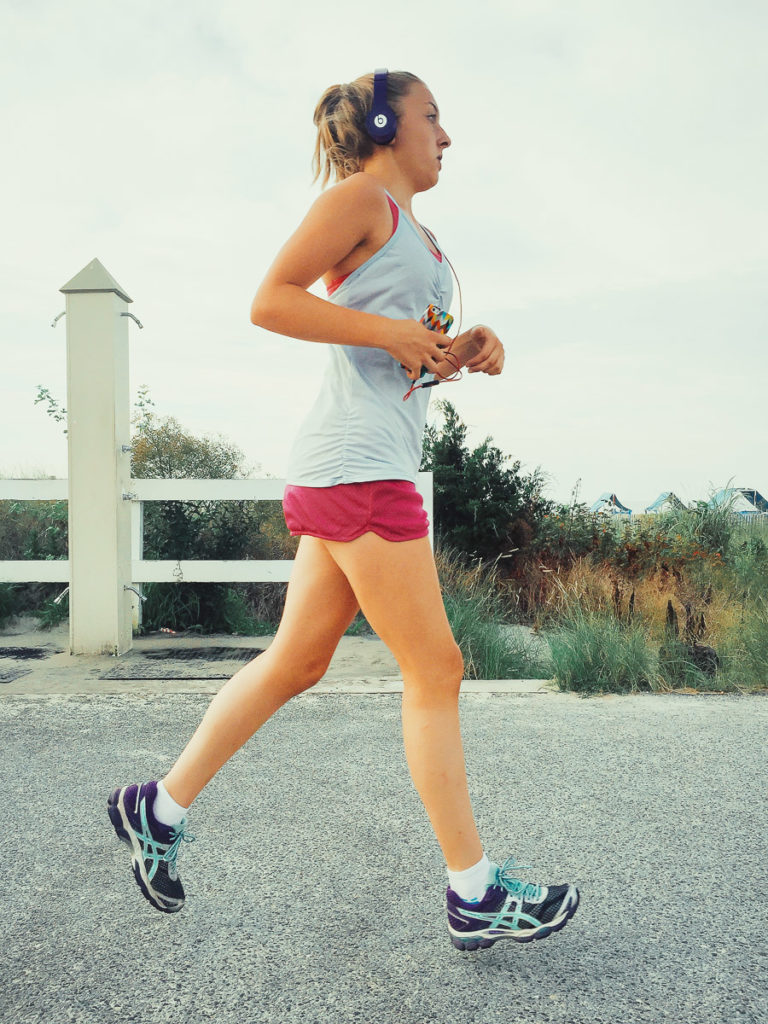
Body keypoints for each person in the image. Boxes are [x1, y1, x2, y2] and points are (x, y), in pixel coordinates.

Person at [107, 69, 579, 951]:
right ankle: (473, 892)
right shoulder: (360, 198)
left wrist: (458, 349)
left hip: (364, 458)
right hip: (358, 464)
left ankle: (157, 809)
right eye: (432, 117)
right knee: (436, 668)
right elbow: (271, 300)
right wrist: (390, 333)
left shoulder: (419, 234)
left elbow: (400, 350)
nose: (446, 135)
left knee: (296, 661)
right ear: (383, 124)